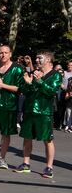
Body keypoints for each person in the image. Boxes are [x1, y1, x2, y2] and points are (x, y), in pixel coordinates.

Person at [14, 50, 63, 179]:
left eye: (39, 58)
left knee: (47, 139)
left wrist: (40, 81)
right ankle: (25, 163)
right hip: (30, 110)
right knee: (27, 137)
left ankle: (49, 167)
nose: (36, 61)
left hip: (44, 112)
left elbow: (51, 91)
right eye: (36, 58)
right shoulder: (32, 73)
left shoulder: (55, 75)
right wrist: (28, 83)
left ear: (48, 60)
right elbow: (24, 91)